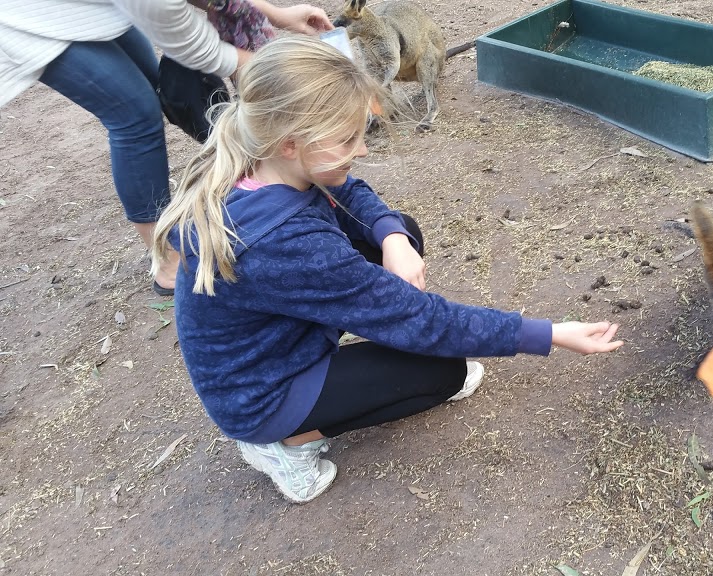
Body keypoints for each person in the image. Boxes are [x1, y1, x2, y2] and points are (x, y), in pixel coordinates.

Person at [150, 34, 626, 504]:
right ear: (292, 143)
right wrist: (549, 334)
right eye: (347, 139)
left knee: (402, 232)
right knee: (444, 374)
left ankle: (368, 319)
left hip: (268, 345)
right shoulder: (286, 243)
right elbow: (426, 322)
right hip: (260, 394)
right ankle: (284, 447)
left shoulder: (261, 155)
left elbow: (347, 191)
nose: (361, 151)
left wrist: (393, 237)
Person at [0, 0, 332, 295]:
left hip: (94, 7)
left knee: (154, 86)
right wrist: (285, 72)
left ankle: (235, 190)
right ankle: (165, 259)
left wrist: (277, 15)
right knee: (135, 115)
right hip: (27, 16)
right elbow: (207, 53)